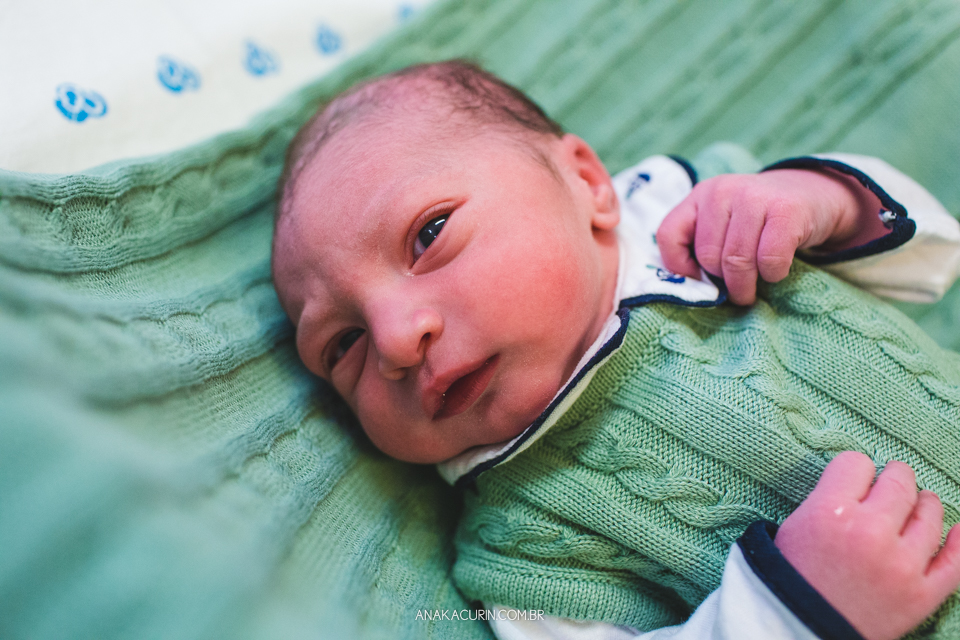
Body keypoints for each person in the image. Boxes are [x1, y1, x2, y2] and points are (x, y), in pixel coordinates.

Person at [271, 60, 960, 639]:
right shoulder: (522, 556)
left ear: (587, 183)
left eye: (429, 235)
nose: (395, 339)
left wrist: (823, 200)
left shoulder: (710, 221)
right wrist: (795, 611)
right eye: (343, 344)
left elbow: (931, 259)